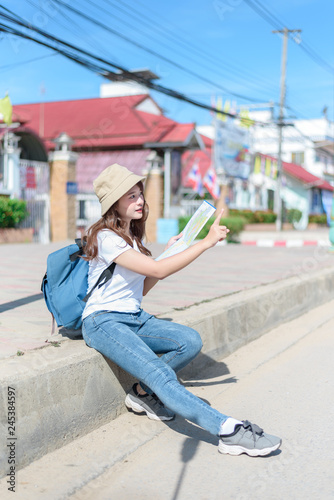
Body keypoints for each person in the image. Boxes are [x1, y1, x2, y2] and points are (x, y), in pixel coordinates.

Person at [81, 163, 282, 457]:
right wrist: (204, 244)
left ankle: (142, 395)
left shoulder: (131, 240)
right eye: (131, 197)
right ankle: (228, 430)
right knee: (160, 375)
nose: (139, 201)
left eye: (139, 195)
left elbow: (144, 286)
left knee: (189, 340)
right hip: (103, 322)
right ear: (114, 204)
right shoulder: (105, 238)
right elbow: (159, 271)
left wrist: (170, 252)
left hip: (133, 317)